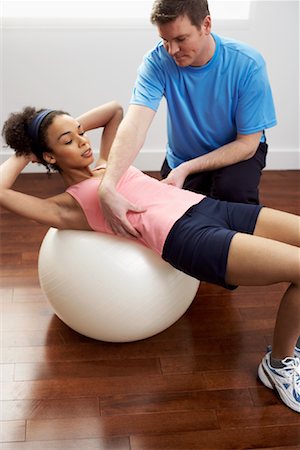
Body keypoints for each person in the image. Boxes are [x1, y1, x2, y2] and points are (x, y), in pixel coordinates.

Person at [0, 106, 299, 413]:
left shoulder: (109, 163)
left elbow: (113, 111)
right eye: (68, 141)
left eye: (80, 132)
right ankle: (278, 365)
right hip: (187, 238)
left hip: (210, 207)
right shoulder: (68, 207)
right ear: (49, 157)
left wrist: (63, 130)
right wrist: (27, 150)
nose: (82, 141)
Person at [98, 0, 277, 238]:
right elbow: (134, 124)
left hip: (238, 153)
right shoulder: (157, 62)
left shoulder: (247, 64)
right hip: (183, 158)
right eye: (165, 40)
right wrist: (108, 185)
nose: (172, 50)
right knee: (190, 227)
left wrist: (186, 169)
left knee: (233, 199)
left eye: (181, 39)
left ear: (206, 25)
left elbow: (247, 144)